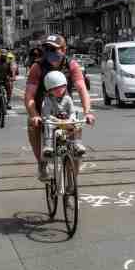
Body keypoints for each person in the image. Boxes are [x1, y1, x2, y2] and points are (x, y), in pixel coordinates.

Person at [26, 34, 96, 181]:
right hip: (43, 110)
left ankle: (72, 182)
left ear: (64, 50)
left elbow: (82, 89)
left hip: (65, 108)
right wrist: (34, 115)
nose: (49, 52)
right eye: (47, 49)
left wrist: (87, 112)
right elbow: (29, 96)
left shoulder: (72, 65)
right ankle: (42, 163)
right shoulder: (37, 67)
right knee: (33, 126)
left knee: (76, 127)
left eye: (53, 49)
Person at [40, 71, 82, 159]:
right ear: (49, 90)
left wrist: (71, 119)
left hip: (67, 123)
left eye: (61, 87)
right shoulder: (48, 100)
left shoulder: (68, 99)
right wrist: (57, 120)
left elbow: (72, 112)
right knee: (48, 123)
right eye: (55, 89)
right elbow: (46, 115)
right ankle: (48, 146)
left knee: (78, 123)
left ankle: (77, 145)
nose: (59, 90)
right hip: (54, 124)